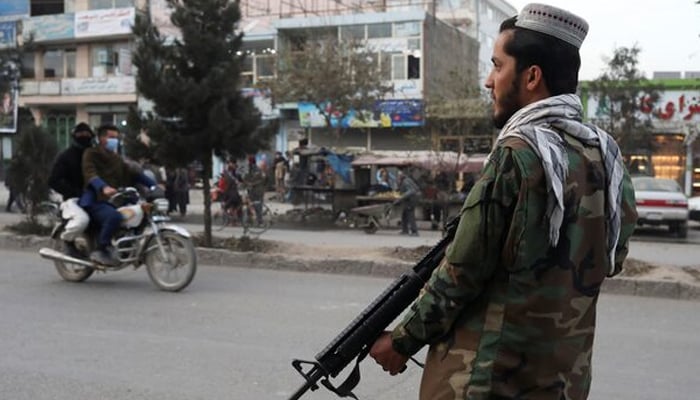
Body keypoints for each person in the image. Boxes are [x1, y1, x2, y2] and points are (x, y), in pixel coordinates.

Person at [369, 4, 638, 399]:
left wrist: (402, 341)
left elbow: (462, 271)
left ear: (531, 77)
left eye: (497, 66)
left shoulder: (517, 154)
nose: (488, 81)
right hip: (563, 380)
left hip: (489, 379)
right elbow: (611, 259)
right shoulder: (606, 157)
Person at [80, 123, 157, 266]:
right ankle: (101, 249)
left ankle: (129, 246)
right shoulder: (90, 153)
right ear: (101, 138)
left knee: (142, 212)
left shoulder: (116, 158)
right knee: (114, 216)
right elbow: (90, 173)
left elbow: (132, 173)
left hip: (115, 200)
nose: (114, 141)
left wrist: (153, 185)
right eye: (111, 137)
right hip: (96, 199)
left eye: (116, 138)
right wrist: (103, 187)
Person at [47, 122, 94, 257]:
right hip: (73, 199)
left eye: (87, 135)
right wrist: (74, 192)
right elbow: (53, 180)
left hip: (95, 197)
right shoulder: (66, 156)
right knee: (82, 220)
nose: (84, 137)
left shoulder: (95, 155)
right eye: (81, 135)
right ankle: (67, 241)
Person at [396, 168, 419, 236]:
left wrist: (402, 196)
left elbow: (411, 191)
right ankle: (405, 230)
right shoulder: (405, 181)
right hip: (407, 201)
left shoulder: (406, 181)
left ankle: (414, 231)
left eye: (399, 175)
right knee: (404, 215)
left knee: (410, 216)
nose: (398, 176)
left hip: (410, 201)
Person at [244, 156, 266, 225]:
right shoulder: (258, 170)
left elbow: (246, 180)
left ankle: (253, 221)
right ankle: (256, 221)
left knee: (255, 206)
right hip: (256, 191)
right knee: (255, 206)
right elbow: (263, 179)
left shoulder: (250, 170)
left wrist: (250, 184)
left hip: (255, 191)